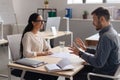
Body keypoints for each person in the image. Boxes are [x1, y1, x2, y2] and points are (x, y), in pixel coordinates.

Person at [67, 7, 120, 80]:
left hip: (103, 75)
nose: (93, 22)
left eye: (94, 19)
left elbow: (98, 62)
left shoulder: (106, 37)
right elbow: (103, 53)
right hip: (108, 70)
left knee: (70, 75)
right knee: (76, 69)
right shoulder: (112, 32)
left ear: (102, 19)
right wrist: (86, 49)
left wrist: (80, 53)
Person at [11, 13, 58, 80]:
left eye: (43, 21)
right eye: (40, 21)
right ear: (33, 22)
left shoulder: (40, 34)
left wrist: (48, 50)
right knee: (52, 75)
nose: (43, 23)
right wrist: (42, 53)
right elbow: (26, 54)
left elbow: (47, 47)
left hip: (39, 62)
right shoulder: (28, 35)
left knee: (54, 73)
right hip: (29, 65)